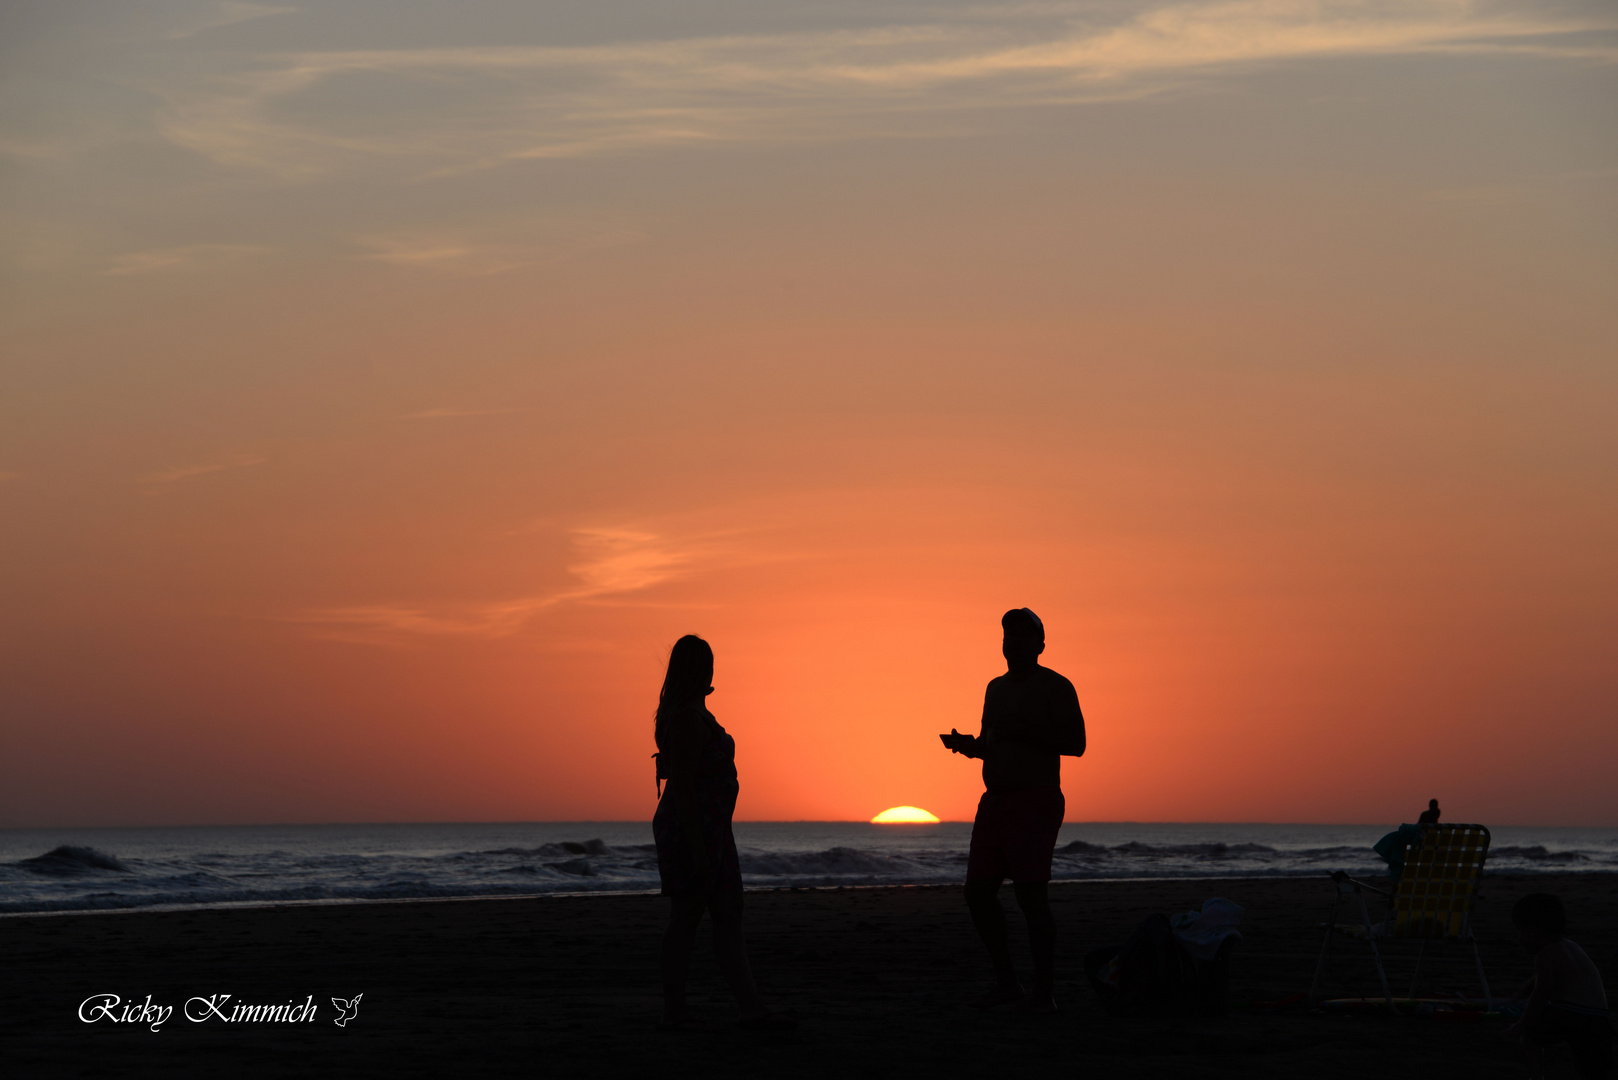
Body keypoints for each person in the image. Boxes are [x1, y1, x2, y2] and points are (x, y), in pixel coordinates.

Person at [941, 608, 1086, 1012]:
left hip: (1036, 800)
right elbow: (993, 743)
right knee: (978, 893)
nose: (1014, 644)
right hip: (995, 802)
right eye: (1008, 637)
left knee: (1030, 897)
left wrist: (1027, 731)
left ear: (1040, 645)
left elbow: (1076, 743)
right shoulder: (995, 688)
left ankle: (1044, 992)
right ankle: (1008, 982)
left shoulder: (1055, 686)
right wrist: (967, 745)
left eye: (1024, 637)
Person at [652, 635, 792, 1030]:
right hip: (692, 831)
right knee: (687, 917)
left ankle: (750, 1007)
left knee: (729, 914)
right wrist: (698, 849)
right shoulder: (684, 719)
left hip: (715, 832)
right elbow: (682, 788)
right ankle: (674, 1011)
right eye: (707, 664)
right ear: (698, 669)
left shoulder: (698, 712)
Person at [1507, 893, 1611, 1079]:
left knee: (1530, 1037)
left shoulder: (1545, 954)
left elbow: (1543, 989)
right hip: (1599, 1017)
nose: (1520, 938)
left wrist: (1524, 1022)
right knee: (1592, 1068)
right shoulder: (1571, 946)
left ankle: (1537, 1076)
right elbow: (1540, 980)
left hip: (1569, 1013)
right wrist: (1521, 993)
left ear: (1535, 931)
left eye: (1521, 931)